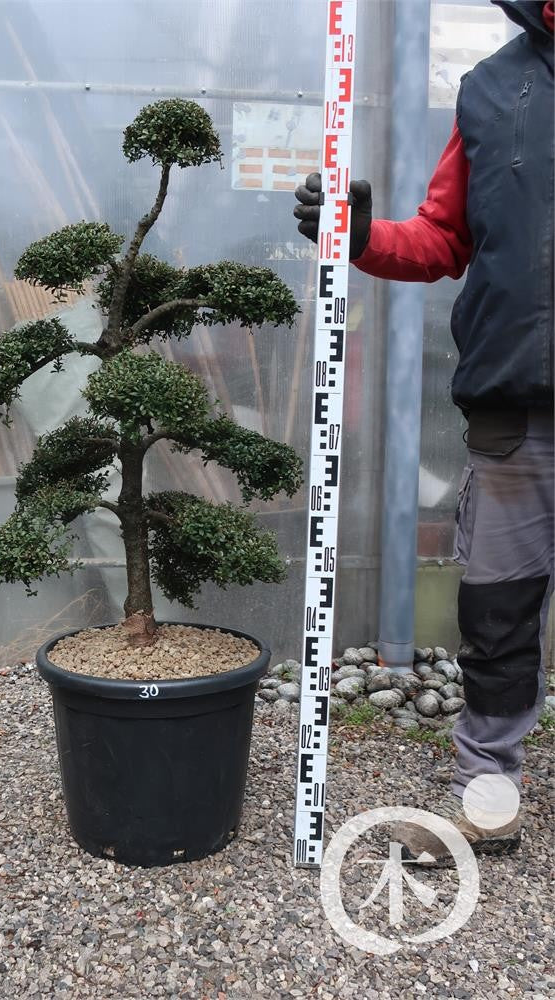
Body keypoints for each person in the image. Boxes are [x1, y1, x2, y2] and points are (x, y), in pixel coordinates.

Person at [294, 0, 553, 862]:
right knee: (497, 614)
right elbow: (443, 235)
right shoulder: (490, 89)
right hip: (516, 409)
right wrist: (364, 237)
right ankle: (488, 800)